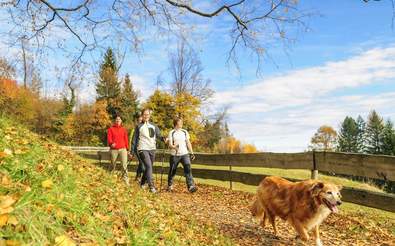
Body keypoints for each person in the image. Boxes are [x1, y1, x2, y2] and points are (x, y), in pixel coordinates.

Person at [131, 108, 166, 193]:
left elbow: (159, 136)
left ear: (149, 116)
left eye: (147, 114)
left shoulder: (154, 126)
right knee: (149, 166)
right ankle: (151, 187)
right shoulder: (139, 126)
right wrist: (132, 151)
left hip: (152, 149)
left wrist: (164, 139)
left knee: (148, 168)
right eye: (144, 114)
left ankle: (142, 183)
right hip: (142, 149)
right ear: (142, 116)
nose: (146, 116)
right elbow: (134, 139)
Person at [167, 117, 197, 193]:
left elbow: (188, 142)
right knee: (172, 171)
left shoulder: (185, 132)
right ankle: (170, 185)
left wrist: (192, 153)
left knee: (188, 169)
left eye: (182, 122)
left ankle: (191, 186)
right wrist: (174, 147)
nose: (182, 123)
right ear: (176, 123)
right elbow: (170, 145)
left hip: (185, 154)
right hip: (174, 155)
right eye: (180, 122)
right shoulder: (172, 132)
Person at [107, 115, 130, 185]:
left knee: (124, 165)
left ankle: (126, 180)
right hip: (114, 149)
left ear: (121, 121)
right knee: (113, 165)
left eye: (119, 119)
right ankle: (110, 179)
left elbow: (126, 139)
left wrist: (127, 149)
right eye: (117, 119)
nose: (118, 120)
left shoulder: (123, 129)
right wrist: (111, 143)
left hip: (123, 149)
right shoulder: (111, 129)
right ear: (115, 121)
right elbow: (109, 138)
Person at [129, 114, 144, 182]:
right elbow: (131, 140)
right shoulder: (135, 129)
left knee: (142, 163)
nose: (140, 122)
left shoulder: (144, 128)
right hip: (137, 148)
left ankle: (138, 176)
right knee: (142, 163)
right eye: (139, 120)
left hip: (143, 148)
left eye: (142, 120)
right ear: (137, 121)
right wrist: (131, 151)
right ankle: (140, 177)